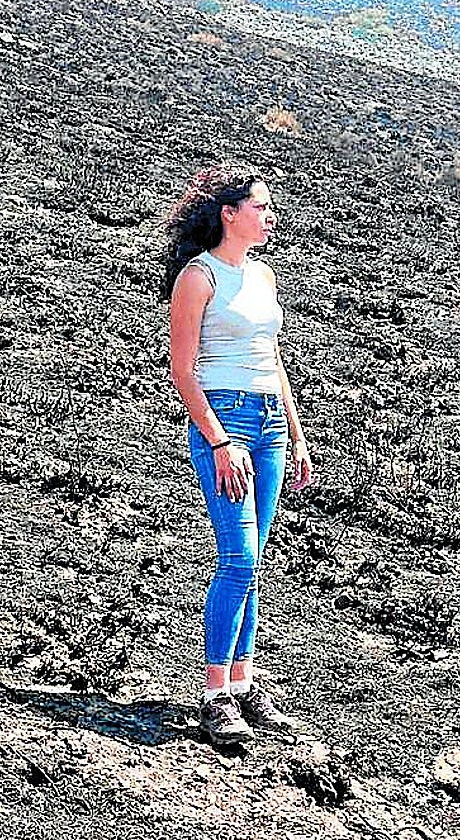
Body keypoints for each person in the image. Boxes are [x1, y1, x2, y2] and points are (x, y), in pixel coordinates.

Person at [161, 164, 314, 744]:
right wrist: (219, 439)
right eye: (261, 207)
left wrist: (298, 436)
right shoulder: (197, 278)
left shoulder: (263, 275)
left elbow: (274, 362)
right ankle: (214, 694)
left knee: (254, 562)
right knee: (240, 559)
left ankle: (245, 687)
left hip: (271, 422)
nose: (270, 216)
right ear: (230, 214)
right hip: (224, 419)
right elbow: (183, 372)